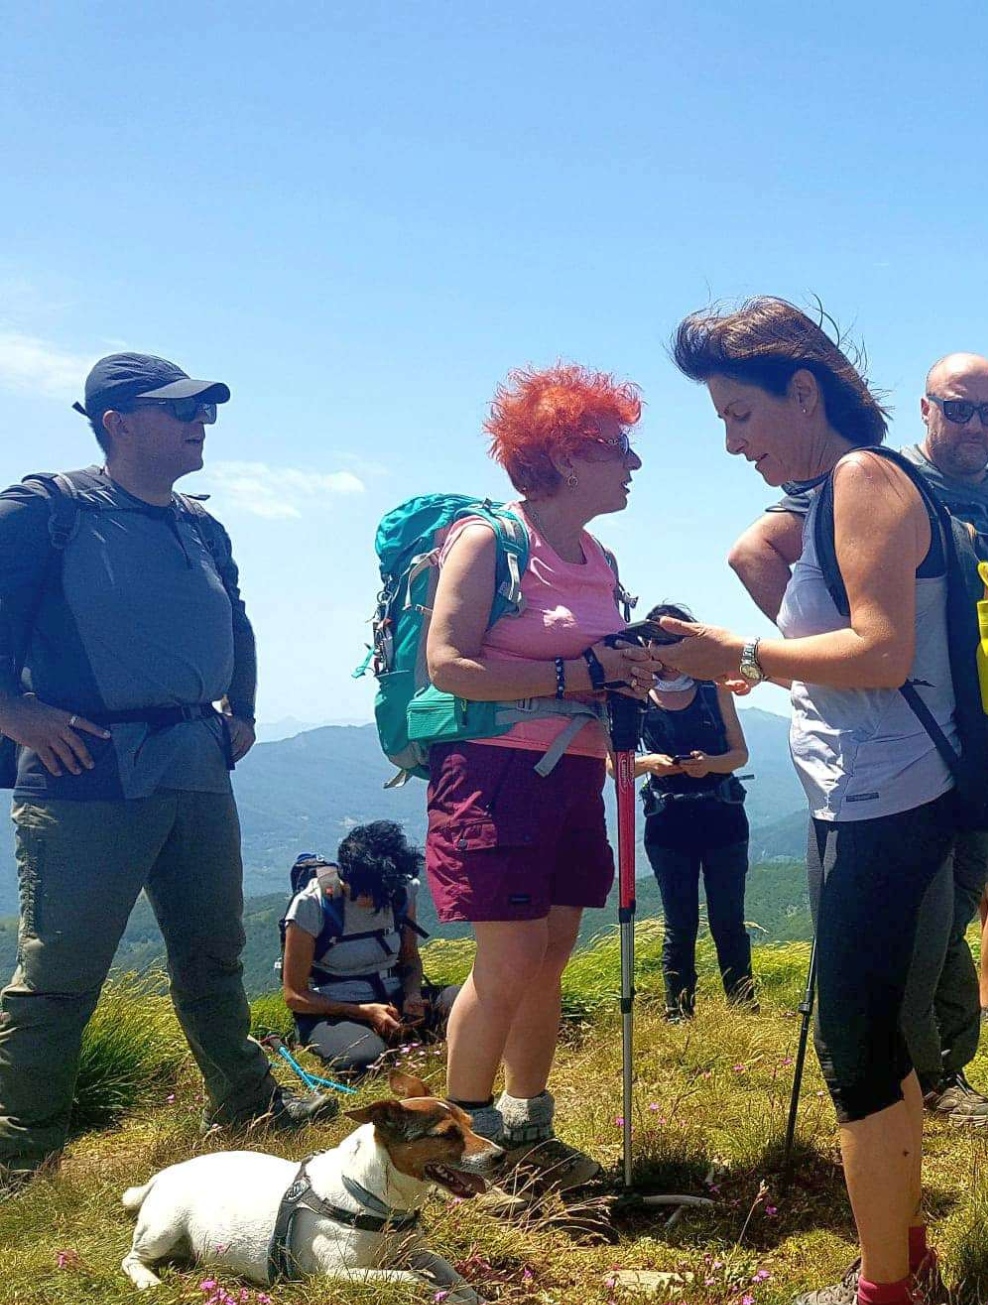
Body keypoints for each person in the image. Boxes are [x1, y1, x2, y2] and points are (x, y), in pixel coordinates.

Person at [664, 296, 957, 1305]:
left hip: (890, 806)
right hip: (866, 800)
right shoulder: (829, 492)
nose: (734, 441)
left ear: (802, 390)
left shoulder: (864, 481)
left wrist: (734, 649)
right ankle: (897, 1262)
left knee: (859, 1062)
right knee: (872, 1045)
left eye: (742, 414)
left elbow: (881, 653)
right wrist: (746, 658)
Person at [0, 353, 331, 1180]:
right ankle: (21, 1153)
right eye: (179, 410)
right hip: (84, 768)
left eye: (205, 410)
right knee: (61, 972)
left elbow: (239, 621)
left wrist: (242, 713)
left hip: (194, 762)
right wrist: (15, 714)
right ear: (116, 423)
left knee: (212, 952)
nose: (201, 423)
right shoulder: (47, 510)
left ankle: (248, 1104)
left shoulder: (199, 524)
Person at [724, 352, 988, 1128]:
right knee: (927, 916)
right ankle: (926, 1079)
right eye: (959, 409)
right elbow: (754, 551)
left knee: (955, 907)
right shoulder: (876, 482)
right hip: (910, 744)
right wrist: (818, 654)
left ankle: (942, 1067)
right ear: (925, 409)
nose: (977, 426)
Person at [426, 363, 664, 1194]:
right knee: (509, 959)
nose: (634, 464)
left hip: (573, 775)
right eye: (619, 447)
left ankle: (528, 1123)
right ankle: (463, 1141)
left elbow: (587, 661)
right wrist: (574, 678)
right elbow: (447, 665)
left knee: (552, 953)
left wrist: (627, 671)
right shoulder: (489, 540)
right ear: (566, 456)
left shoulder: (597, 555)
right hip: (492, 775)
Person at [635, 602, 755, 1021]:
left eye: (671, 642)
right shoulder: (634, 693)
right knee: (679, 922)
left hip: (720, 814)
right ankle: (678, 1010)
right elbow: (614, 764)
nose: (662, 651)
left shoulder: (713, 686)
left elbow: (739, 754)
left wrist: (709, 763)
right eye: (656, 641)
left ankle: (741, 1005)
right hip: (668, 821)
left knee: (728, 919)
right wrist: (650, 764)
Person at [281, 820, 454, 1076]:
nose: (375, 903)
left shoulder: (401, 892)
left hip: (393, 994)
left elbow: (409, 959)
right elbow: (294, 995)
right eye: (369, 895)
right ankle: (365, 1039)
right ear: (345, 879)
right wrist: (362, 1012)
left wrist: (412, 994)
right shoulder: (311, 906)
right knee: (363, 1060)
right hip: (336, 1006)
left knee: (470, 1005)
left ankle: (395, 1034)